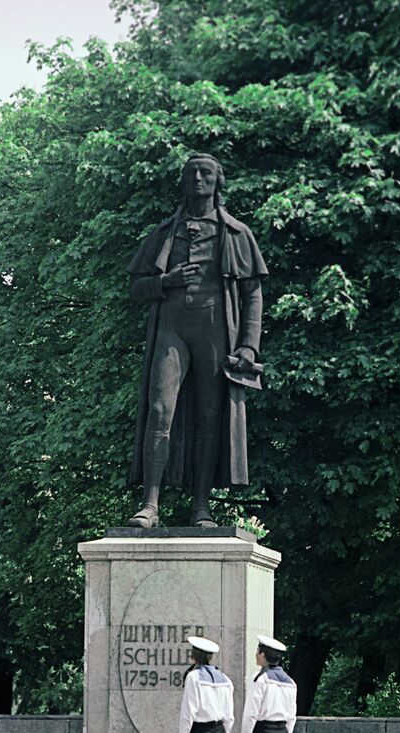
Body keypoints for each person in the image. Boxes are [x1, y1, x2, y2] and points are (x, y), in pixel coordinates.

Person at [127, 153, 268, 528]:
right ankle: (150, 505)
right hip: (171, 330)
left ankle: (201, 507)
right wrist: (166, 281)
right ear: (184, 181)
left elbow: (253, 292)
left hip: (216, 330)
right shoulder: (163, 233)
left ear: (217, 181)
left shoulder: (236, 233)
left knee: (210, 415)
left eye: (206, 173)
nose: (198, 179)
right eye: (191, 173)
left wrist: (248, 345)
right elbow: (137, 287)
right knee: (159, 410)